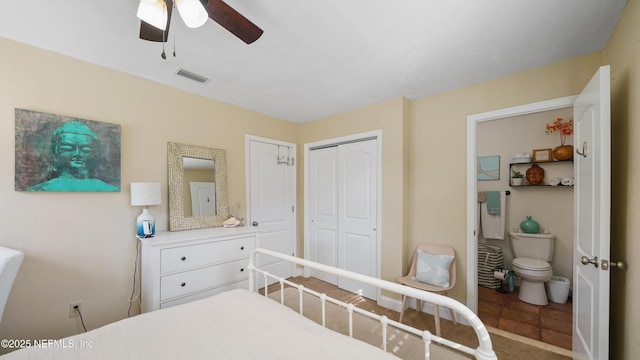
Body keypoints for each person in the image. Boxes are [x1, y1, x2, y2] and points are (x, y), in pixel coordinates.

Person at [28, 121, 119, 191]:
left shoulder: (106, 189)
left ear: (93, 154)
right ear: (56, 152)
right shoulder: (42, 189)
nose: (77, 154)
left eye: (85, 150)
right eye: (68, 148)